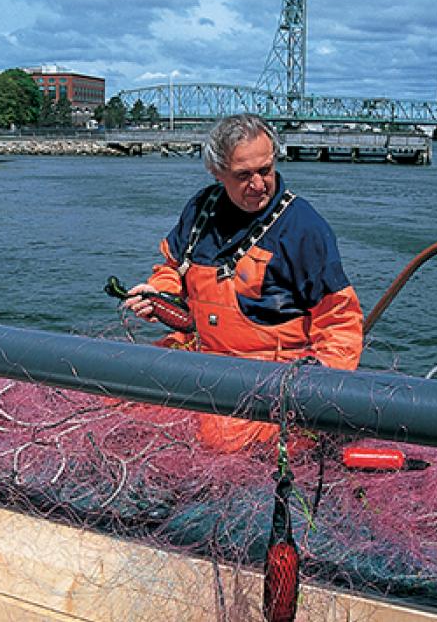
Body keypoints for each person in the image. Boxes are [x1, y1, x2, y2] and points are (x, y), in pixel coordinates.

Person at [124, 113, 363, 452]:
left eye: (265, 170)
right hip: (199, 355)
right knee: (122, 396)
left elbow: (340, 324)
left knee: (215, 438)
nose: (258, 184)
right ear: (217, 172)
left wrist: (316, 392)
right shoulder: (200, 208)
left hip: (268, 376)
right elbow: (172, 268)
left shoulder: (304, 228)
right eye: (243, 175)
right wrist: (160, 295)